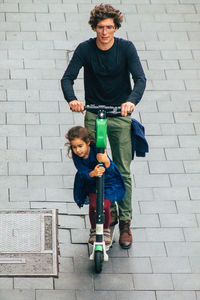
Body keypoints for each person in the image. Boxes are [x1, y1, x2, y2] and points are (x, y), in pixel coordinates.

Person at [61, 4, 146, 249]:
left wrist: (130, 102)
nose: (105, 32)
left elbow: (139, 79)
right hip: (93, 112)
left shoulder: (126, 49)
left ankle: (126, 221)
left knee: (122, 169)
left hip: (119, 114)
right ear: (94, 28)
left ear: (116, 28)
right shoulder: (85, 49)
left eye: (109, 27)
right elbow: (68, 77)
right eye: (100, 27)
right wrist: (73, 100)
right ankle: (101, 221)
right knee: (94, 165)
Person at [65, 126, 125, 245]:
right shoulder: (76, 155)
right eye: (74, 147)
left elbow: (111, 168)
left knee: (104, 205)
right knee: (93, 205)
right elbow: (81, 170)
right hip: (91, 182)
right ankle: (94, 230)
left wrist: (106, 161)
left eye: (80, 146)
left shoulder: (98, 150)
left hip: (107, 181)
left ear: (87, 142)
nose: (77, 150)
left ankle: (106, 230)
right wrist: (92, 173)